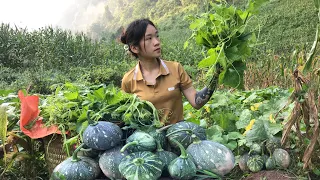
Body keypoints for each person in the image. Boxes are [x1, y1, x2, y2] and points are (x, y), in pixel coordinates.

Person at [120, 18, 221, 125]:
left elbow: (196, 102)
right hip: (148, 139)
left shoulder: (175, 68)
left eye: (157, 36)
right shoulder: (129, 80)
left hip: (178, 135)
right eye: (149, 38)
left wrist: (215, 75)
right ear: (135, 48)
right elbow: (127, 117)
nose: (157, 42)